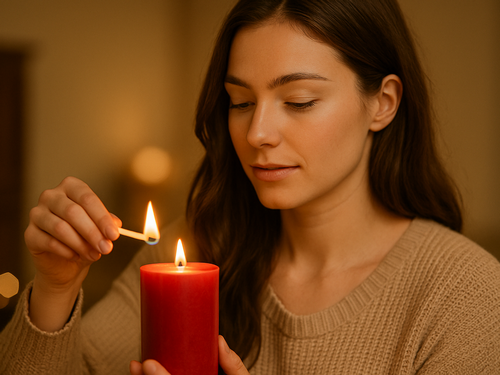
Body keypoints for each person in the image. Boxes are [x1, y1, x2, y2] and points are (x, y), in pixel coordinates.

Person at [1, 0, 500, 373]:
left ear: (383, 103)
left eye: (299, 101)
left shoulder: (465, 297)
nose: (257, 133)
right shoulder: (200, 244)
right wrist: (55, 287)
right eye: (240, 102)